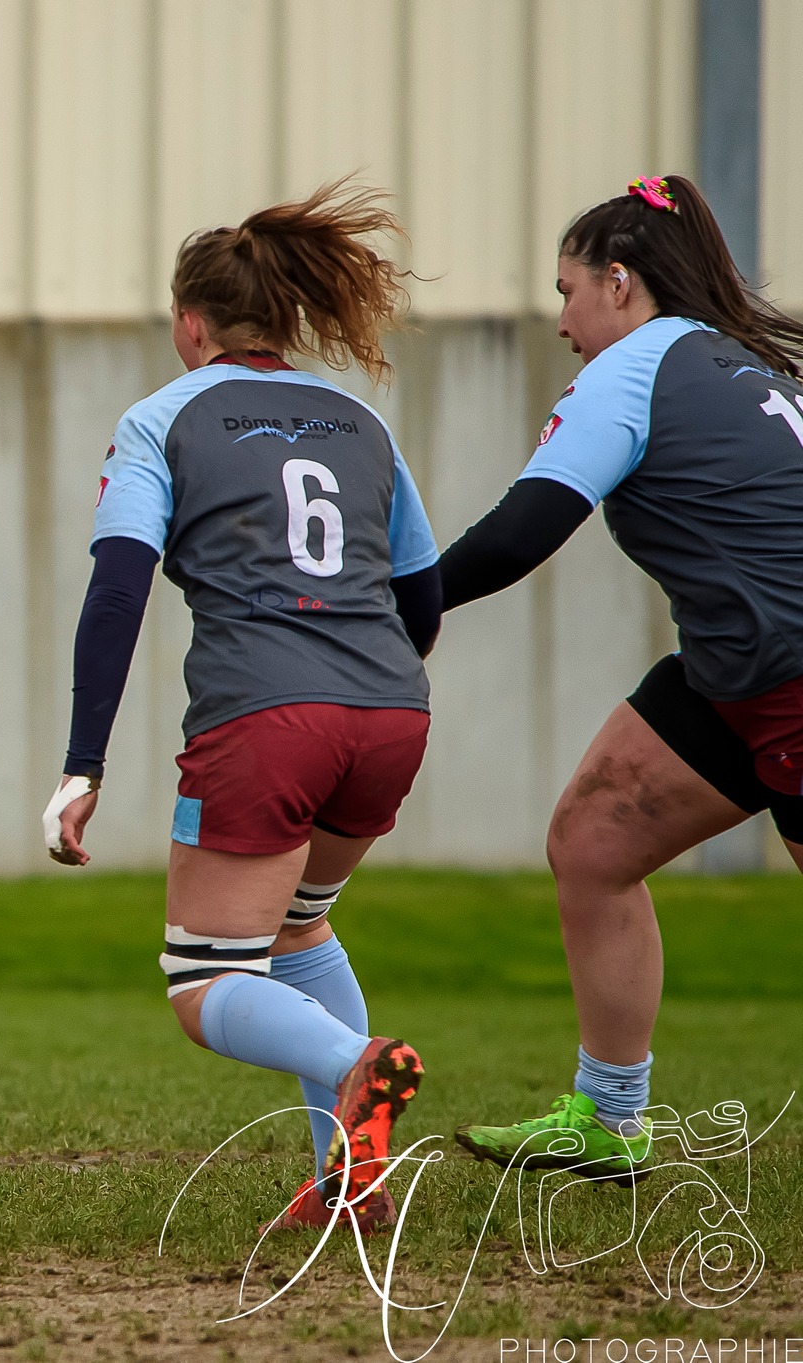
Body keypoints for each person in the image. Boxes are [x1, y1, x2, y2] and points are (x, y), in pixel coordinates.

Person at [44, 181, 444, 1232]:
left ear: (189, 323)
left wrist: (81, 763)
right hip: (392, 708)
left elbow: (118, 589)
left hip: (266, 716)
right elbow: (422, 591)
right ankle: (347, 1186)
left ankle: (358, 1063)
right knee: (300, 931)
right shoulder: (359, 420)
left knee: (202, 980)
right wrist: (373, 688)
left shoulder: (158, 419)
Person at [438, 175, 803, 1182]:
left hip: (787, 677)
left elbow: (517, 535)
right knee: (593, 839)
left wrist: (386, 608)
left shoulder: (634, 366)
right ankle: (607, 1121)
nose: (559, 322)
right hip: (740, 676)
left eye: (565, 292)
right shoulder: (735, 362)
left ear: (618, 281)